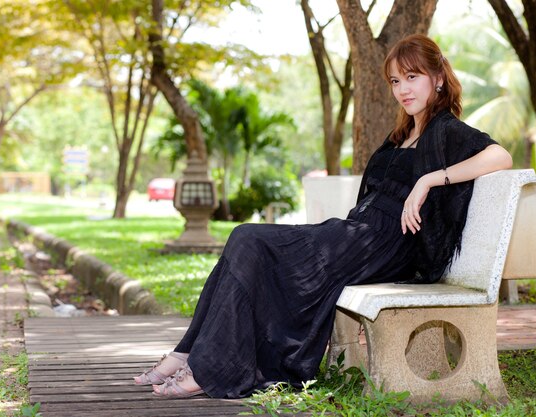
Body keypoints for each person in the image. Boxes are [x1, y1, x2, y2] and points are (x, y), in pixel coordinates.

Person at [133, 34, 513, 399]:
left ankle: (208, 367)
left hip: (387, 244)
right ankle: (188, 353)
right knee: (244, 238)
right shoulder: (402, 134)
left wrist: (430, 179)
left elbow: (500, 157)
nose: (403, 89)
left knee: (249, 238)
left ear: (438, 78)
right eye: (396, 80)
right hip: (358, 235)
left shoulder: (446, 129)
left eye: (412, 77)